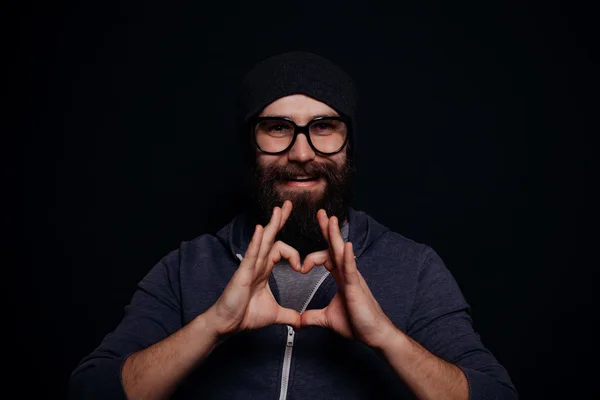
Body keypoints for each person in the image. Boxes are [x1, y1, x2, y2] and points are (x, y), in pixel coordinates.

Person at [69, 51, 518, 400]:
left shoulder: (415, 268)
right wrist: (215, 325)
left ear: (349, 146)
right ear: (251, 145)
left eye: (324, 126)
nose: (301, 153)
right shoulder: (186, 266)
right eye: (278, 127)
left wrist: (384, 337)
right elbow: (90, 390)